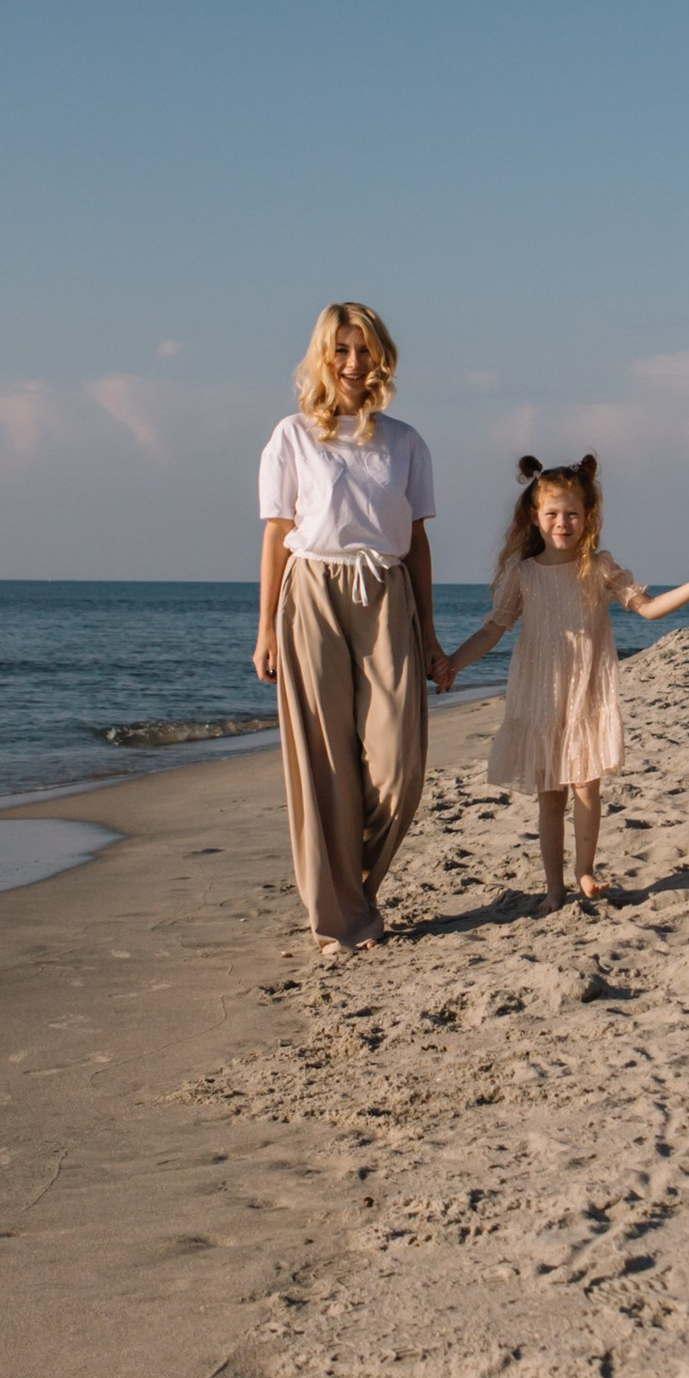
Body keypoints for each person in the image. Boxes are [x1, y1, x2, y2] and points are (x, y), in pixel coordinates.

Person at [253, 302, 445, 956]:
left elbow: (416, 540)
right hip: (310, 593)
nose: (354, 363)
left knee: (400, 764)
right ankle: (340, 916)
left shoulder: (405, 441)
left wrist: (429, 630)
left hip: (387, 593)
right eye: (341, 350)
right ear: (321, 357)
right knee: (325, 763)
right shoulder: (292, 436)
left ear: (381, 357)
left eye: (364, 350)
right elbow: (277, 535)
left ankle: (352, 886)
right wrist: (265, 630)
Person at [438, 454, 689, 910]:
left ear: (588, 516)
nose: (563, 522)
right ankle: (553, 888)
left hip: (586, 696)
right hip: (540, 698)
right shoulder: (523, 574)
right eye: (553, 514)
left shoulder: (597, 566)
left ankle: (584, 872)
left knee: (587, 788)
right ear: (534, 517)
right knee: (550, 798)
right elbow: (492, 629)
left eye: (572, 513)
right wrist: (453, 663)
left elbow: (648, 608)